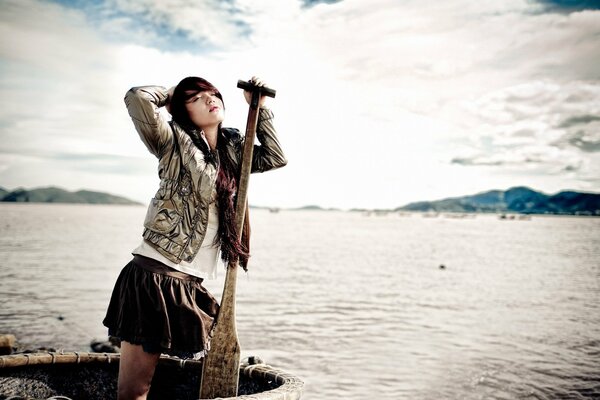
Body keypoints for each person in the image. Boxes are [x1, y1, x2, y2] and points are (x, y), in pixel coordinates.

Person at [102, 76, 287, 400]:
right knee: (134, 391)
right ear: (182, 110)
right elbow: (136, 98)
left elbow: (274, 157)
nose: (208, 99)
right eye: (196, 98)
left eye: (211, 93)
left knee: (185, 379)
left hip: (190, 284)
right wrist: (173, 94)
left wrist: (260, 109)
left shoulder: (233, 150)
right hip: (153, 277)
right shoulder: (172, 141)